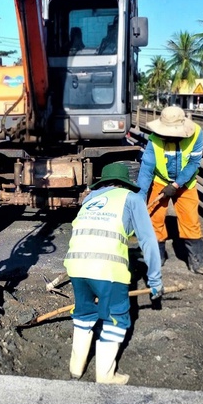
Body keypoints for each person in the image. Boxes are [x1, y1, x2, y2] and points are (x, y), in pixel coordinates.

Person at [64, 162, 163, 385]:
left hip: (76, 265)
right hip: (108, 269)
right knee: (116, 318)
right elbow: (148, 240)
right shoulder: (132, 199)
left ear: (104, 182)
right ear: (124, 183)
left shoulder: (90, 198)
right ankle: (106, 376)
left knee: (84, 313)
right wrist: (155, 280)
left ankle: (75, 369)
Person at [137, 106, 203, 275]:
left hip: (186, 183)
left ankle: (197, 261)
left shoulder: (196, 134)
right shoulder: (154, 140)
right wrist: (140, 199)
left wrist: (176, 185)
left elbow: (194, 163)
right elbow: (146, 169)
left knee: (190, 220)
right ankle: (157, 257)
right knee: (155, 219)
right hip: (160, 181)